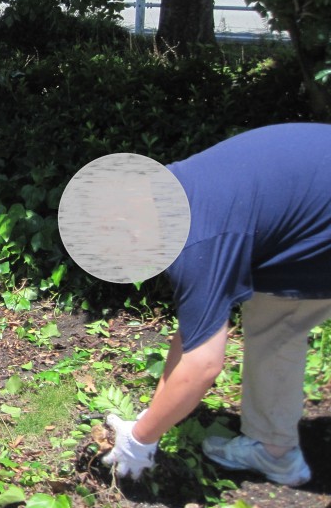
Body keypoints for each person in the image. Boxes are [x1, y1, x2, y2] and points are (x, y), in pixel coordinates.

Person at [102, 122, 331, 486]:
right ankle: (274, 448)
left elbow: (203, 365)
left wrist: (140, 440)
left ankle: (275, 451)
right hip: (313, 198)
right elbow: (195, 333)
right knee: (277, 313)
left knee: (278, 318)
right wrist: (152, 416)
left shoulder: (196, 244)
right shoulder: (178, 189)